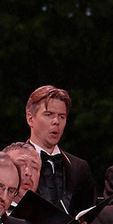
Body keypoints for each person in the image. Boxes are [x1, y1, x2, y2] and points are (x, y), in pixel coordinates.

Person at [23, 85, 94, 214]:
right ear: (30, 118)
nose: (56, 121)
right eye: (49, 114)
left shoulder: (80, 167)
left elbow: (91, 218)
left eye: (61, 116)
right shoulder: (14, 163)